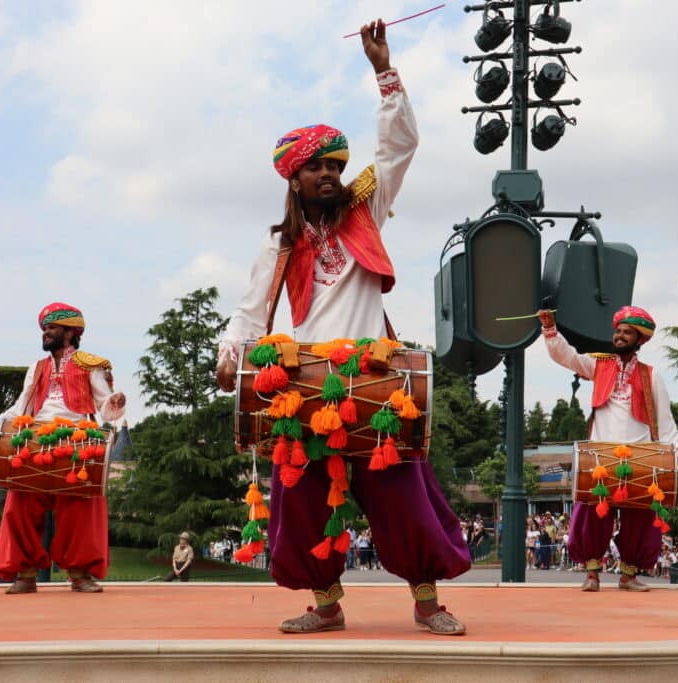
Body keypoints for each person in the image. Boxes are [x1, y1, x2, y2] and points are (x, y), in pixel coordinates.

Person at [214, 20, 469, 635]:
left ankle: (428, 603)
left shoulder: (367, 211)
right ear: (294, 179)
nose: (329, 175)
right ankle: (326, 607)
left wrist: (384, 72)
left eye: (335, 165)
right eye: (316, 168)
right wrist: (229, 354)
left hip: (375, 378)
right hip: (303, 384)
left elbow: (399, 147)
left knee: (403, 497)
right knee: (301, 503)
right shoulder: (278, 245)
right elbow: (251, 312)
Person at [538, 306, 678, 591]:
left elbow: (665, 419)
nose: (619, 336)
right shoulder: (599, 365)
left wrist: (674, 453)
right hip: (602, 456)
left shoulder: (652, 375)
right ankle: (592, 574)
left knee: (640, 521)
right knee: (591, 517)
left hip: (641, 457)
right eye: (618, 331)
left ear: (640, 339)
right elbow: (566, 356)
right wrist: (550, 329)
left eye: (627, 332)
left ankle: (629, 576)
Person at [0, 302, 126, 594]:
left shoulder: (90, 364)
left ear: (71, 332)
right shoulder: (37, 367)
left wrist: (115, 401)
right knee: (20, 503)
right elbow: (20, 405)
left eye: (52, 328)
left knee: (79, 509)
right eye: (45, 328)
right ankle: (25, 574)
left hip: (76, 438)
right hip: (37, 436)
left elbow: (104, 404)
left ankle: (80, 574)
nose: (46, 333)